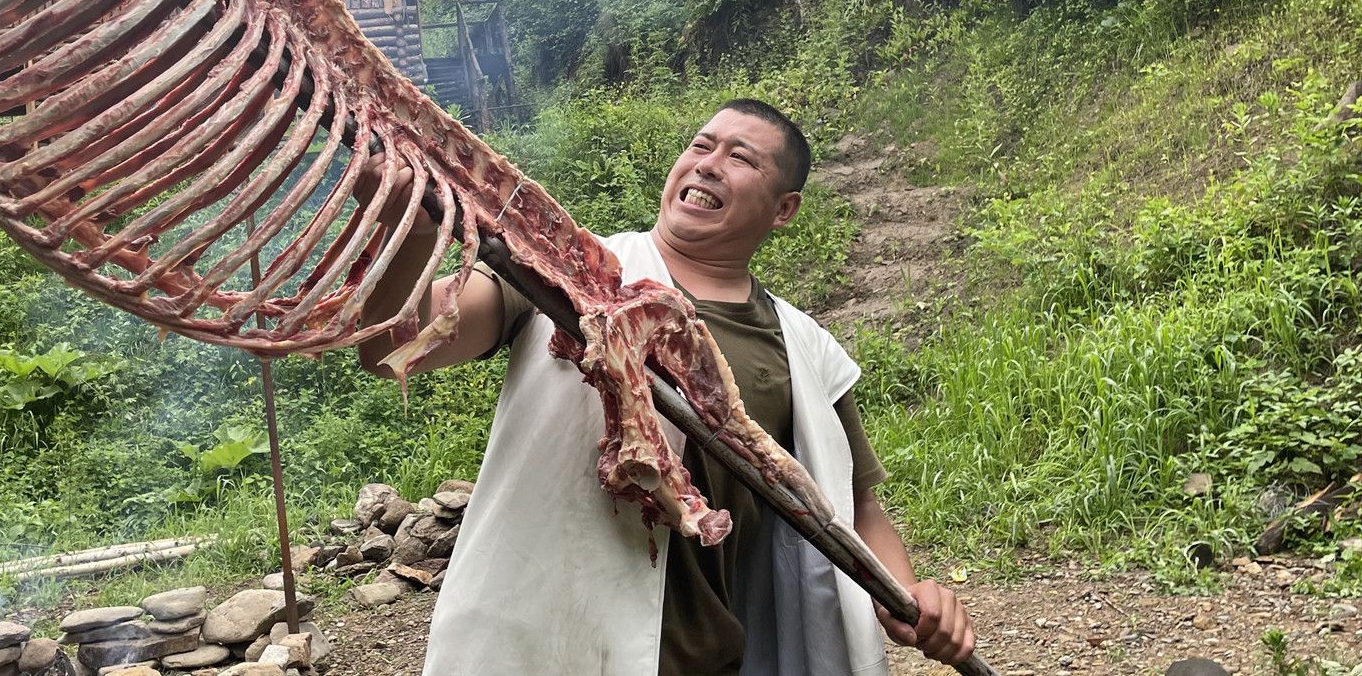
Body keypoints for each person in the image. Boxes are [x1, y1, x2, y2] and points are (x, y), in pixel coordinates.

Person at [354, 99, 974, 675]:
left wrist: (906, 595)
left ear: (785, 209)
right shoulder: (565, 270)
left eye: (741, 158)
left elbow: (856, 505)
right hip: (541, 642)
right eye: (702, 146)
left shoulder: (806, 348)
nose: (709, 164)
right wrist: (396, 230)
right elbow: (388, 348)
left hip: (705, 657)